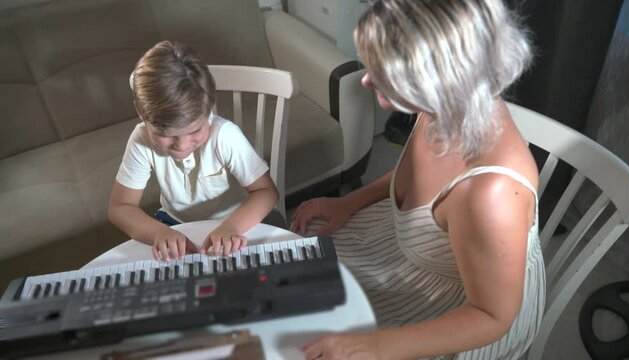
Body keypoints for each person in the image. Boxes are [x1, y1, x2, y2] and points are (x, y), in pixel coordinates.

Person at [290, 0, 545, 359]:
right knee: (300, 269)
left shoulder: (493, 195)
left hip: (464, 312)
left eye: (384, 72)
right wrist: (349, 202)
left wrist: (373, 345)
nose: (366, 79)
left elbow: (492, 316)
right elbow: (417, 174)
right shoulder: (447, 105)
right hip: (409, 251)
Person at [108, 41, 278, 261]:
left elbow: (266, 192)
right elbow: (120, 207)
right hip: (173, 224)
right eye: (166, 133)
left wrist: (232, 227)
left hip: (234, 222)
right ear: (140, 112)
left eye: (195, 130)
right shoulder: (141, 139)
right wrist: (160, 232)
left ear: (208, 109)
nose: (182, 145)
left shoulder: (224, 136)